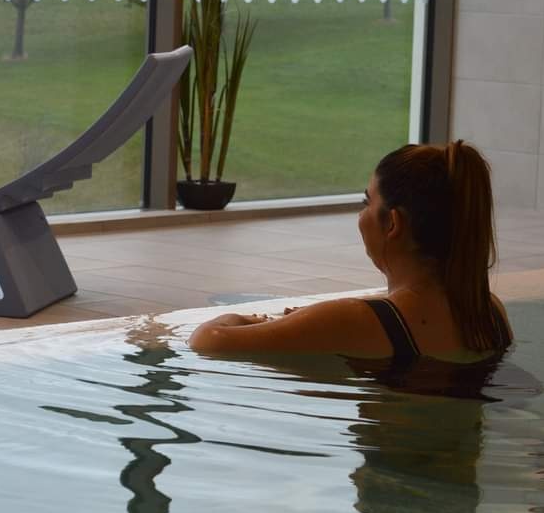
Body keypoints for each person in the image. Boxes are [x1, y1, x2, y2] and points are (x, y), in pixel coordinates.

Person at [189, 141, 513, 365]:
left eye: (366, 202)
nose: (361, 215)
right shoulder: (489, 314)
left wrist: (245, 318)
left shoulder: (358, 319)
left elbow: (209, 341)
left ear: (393, 223)